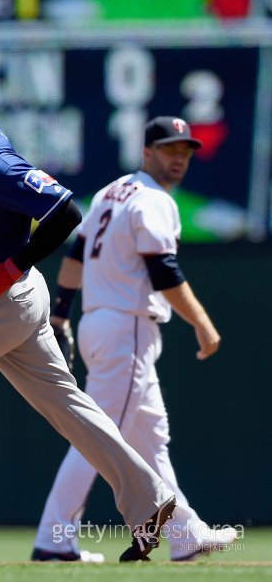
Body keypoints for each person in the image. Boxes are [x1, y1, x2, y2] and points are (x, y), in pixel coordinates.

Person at [0, 63, 176, 561]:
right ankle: (150, 502)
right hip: (12, 300)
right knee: (69, 407)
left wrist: (16, 262)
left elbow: (66, 210)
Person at [32, 116, 237, 562]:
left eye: (185, 150)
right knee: (97, 438)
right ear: (147, 152)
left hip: (105, 324)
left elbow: (77, 252)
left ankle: (185, 535)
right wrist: (203, 322)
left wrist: (64, 314)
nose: (179, 158)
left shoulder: (110, 192)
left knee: (150, 438)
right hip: (126, 327)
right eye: (169, 149)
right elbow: (163, 271)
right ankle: (53, 537)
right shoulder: (154, 199)